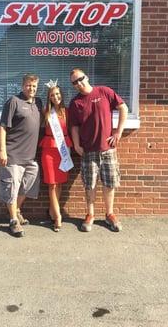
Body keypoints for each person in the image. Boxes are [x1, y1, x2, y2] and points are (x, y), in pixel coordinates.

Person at [68, 68, 128, 232]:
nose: (78, 83)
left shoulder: (104, 92)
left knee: (109, 183)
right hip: (88, 151)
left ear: (86, 77)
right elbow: (74, 127)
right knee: (90, 184)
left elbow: (123, 108)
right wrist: (76, 145)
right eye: (74, 82)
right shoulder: (75, 103)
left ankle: (109, 214)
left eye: (80, 79)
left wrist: (118, 132)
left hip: (108, 149)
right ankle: (90, 214)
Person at [0, 73, 42, 238]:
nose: (31, 89)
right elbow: (2, 127)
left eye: (34, 86)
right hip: (13, 154)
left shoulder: (38, 102)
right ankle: (13, 221)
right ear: (23, 86)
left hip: (30, 157)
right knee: (11, 188)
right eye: (29, 86)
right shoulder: (13, 102)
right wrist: (2, 150)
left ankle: (16, 210)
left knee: (28, 185)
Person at [40, 81, 73, 232]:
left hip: (63, 148)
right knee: (52, 184)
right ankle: (58, 216)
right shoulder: (45, 111)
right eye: (52, 95)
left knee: (59, 183)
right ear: (49, 97)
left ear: (62, 95)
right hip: (49, 149)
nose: (55, 97)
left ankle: (53, 210)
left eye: (57, 94)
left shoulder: (67, 111)